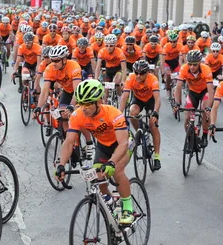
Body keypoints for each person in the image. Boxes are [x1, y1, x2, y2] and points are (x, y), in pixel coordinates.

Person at [55, 79, 135, 225]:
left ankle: (128, 208)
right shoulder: (78, 115)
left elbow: (123, 143)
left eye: (88, 104)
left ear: (98, 102)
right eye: (80, 103)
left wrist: (112, 162)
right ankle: (111, 202)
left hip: (123, 143)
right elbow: (69, 141)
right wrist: (61, 164)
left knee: (116, 171)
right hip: (103, 146)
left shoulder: (113, 113)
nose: (83, 108)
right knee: (97, 177)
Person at [119, 60, 162, 169]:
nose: (138, 75)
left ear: (147, 72)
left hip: (151, 101)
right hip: (138, 100)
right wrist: (119, 114)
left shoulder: (152, 79)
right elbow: (124, 97)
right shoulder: (131, 78)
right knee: (132, 113)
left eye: (141, 73)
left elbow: (157, 98)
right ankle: (141, 132)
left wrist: (155, 112)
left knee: (153, 126)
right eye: (136, 72)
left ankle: (157, 157)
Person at [175, 50, 215, 147]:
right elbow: (178, 87)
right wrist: (177, 103)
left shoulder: (206, 69)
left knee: (205, 109)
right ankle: (190, 139)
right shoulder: (184, 68)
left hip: (204, 91)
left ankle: (205, 135)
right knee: (187, 118)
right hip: (193, 92)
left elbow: (210, 90)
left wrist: (209, 107)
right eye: (190, 64)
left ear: (199, 63)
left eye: (195, 65)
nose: (192, 67)